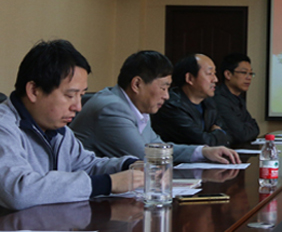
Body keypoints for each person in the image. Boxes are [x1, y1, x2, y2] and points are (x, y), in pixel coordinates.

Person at [0, 40, 141, 210]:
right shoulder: (4, 126)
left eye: (81, 95)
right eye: (70, 95)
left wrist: (128, 165)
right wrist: (109, 183)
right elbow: (19, 191)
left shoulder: (58, 129)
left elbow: (85, 165)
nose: (78, 107)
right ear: (33, 91)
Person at [71, 51, 240, 164]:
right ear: (137, 84)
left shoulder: (137, 107)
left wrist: (203, 152)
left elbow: (159, 147)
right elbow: (147, 156)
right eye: (163, 88)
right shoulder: (112, 109)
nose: (166, 96)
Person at [152, 53, 232, 146]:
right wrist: (218, 132)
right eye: (209, 73)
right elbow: (201, 142)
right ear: (190, 78)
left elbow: (229, 136)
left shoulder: (209, 103)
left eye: (215, 74)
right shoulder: (172, 105)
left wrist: (217, 135)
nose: (215, 79)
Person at [213, 53, 260, 145]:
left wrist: (247, 127)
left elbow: (256, 128)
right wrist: (247, 127)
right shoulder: (219, 99)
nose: (249, 77)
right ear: (228, 74)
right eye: (244, 72)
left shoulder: (238, 98)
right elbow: (242, 135)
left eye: (251, 73)